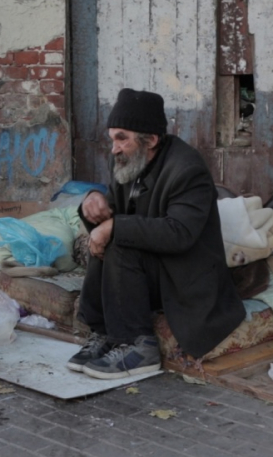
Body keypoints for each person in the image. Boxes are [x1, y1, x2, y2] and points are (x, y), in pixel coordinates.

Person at [67, 88, 245, 379]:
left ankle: (139, 345)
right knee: (106, 242)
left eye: (122, 138)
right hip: (152, 269)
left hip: (186, 278)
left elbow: (179, 233)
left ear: (151, 139)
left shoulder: (188, 169)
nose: (114, 148)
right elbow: (113, 207)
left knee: (119, 240)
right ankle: (105, 333)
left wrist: (114, 227)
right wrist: (91, 204)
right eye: (112, 138)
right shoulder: (127, 161)